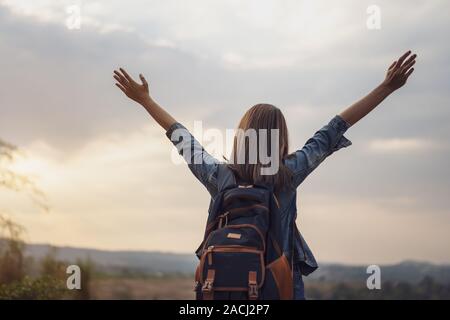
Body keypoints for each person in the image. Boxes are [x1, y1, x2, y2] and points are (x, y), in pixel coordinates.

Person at [113, 50, 417, 299]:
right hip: (278, 287)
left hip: (225, 289)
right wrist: (386, 87)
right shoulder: (287, 173)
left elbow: (183, 139)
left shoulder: (220, 177)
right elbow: (333, 129)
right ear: (280, 137)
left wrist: (146, 100)